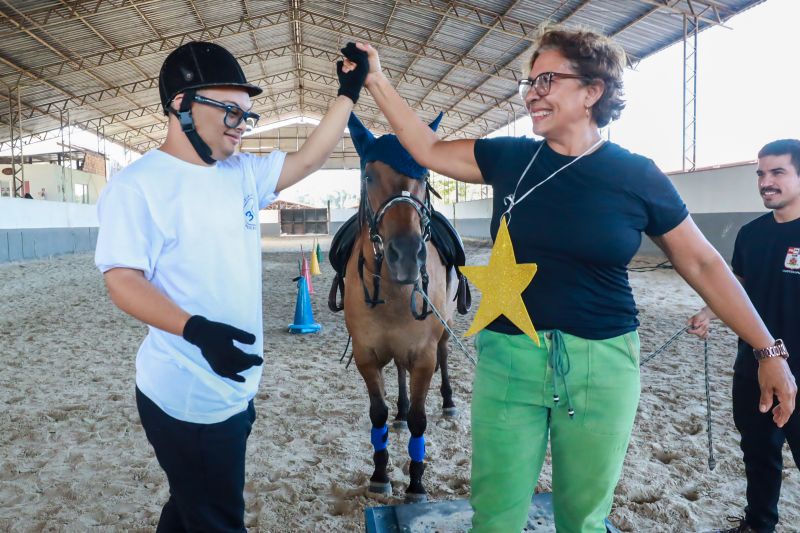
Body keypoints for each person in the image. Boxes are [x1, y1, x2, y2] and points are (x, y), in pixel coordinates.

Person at [343, 27, 797, 533]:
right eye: (529, 83)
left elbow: (704, 265)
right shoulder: (508, 157)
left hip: (600, 366)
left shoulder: (636, 175)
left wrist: (767, 350)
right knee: (493, 516)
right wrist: (377, 80)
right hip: (510, 359)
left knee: (582, 519)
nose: (532, 92)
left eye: (546, 80)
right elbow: (425, 147)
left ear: (592, 91)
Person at [94, 41, 368, 531]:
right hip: (189, 397)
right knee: (217, 520)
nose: (241, 125)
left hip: (234, 388)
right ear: (181, 104)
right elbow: (122, 280)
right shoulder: (137, 186)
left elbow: (307, 160)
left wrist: (348, 92)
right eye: (229, 111)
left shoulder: (241, 173)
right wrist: (195, 330)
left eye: (247, 114)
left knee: (190, 508)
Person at [688, 139, 800, 533]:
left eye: (777, 172)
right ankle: (758, 524)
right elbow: (737, 286)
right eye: (761, 174)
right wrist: (708, 311)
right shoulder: (751, 234)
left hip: (798, 371)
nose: (766, 182)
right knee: (758, 451)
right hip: (752, 365)